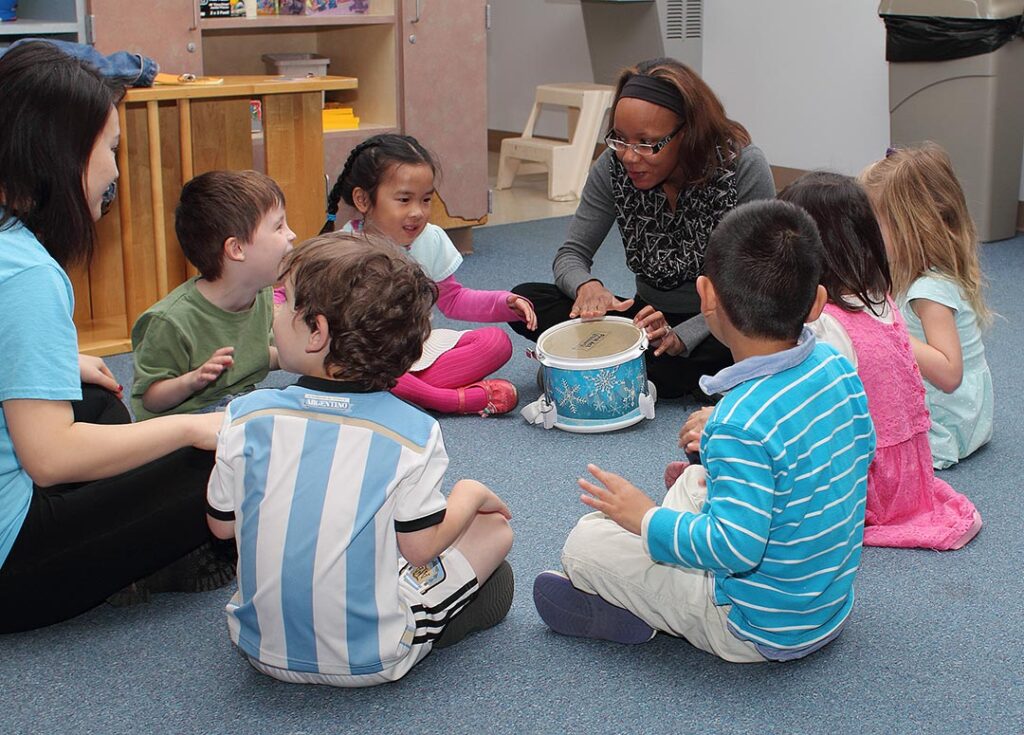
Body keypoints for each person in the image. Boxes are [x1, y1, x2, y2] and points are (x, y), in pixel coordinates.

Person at [533, 200, 876, 662]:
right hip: (826, 606)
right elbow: (847, 453)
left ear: (706, 296)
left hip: (753, 627)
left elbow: (735, 549)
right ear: (817, 302)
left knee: (585, 542)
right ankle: (656, 571)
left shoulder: (741, 422)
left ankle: (642, 607)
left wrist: (643, 518)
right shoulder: (835, 365)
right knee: (698, 478)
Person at [206, 234, 514, 686]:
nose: (272, 310)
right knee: (494, 535)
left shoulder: (246, 417)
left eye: (282, 300)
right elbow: (420, 549)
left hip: (258, 645)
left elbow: (221, 527)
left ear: (317, 332)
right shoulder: (412, 432)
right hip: (371, 658)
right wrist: (469, 495)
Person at [0, 42, 223, 632]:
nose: (117, 172)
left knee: (97, 399)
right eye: (111, 150)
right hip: (10, 568)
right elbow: (50, 460)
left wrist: (57, 361)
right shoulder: (26, 272)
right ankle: (145, 561)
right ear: (64, 154)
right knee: (216, 460)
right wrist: (192, 425)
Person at [509, 57, 775, 401]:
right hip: (648, 324)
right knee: (523, 301)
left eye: (647, 143)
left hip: (722, 322)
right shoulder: (612, 166)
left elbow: (757, 283)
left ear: (688, 132)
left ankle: (625, 366)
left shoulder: (743, 168)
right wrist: (586, 287)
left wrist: (683, 336)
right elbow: (571, 255)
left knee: (763, 334)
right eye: (620, 140)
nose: (630, 157)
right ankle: (674, 374)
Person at [781, 172, 980, 550]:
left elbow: (814, 419)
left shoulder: (825, 324)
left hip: (871, 482)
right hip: (909, 471)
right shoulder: (878, 296)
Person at [321, 133, 535, 416]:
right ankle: (451, 400)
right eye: (404, 199)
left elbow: (454, 300)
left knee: (496, 342)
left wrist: (504, 302)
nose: (417, 212)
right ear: (362, 199)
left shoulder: (431, 239)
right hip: (364, 356)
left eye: (425, 200)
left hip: (413, 350)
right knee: (350, 368)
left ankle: (406, 394)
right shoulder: (343, 250)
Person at [861, 144, 994, 469]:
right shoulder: (915, 273)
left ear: (911, 228)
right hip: (965, 411)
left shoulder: (930, 291)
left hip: (948, 420)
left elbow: (949, 373)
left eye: (875, 225)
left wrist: (889, 327)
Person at [130, 170, 295, 420]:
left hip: (236, 404)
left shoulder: (259, 295)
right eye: (279, 226)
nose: (291, 234)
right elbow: (150, 398)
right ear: (236, 249)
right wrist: (191, 381)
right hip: (185, 423)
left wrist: (302, 354)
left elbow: (258, 354)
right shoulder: (170, 321)